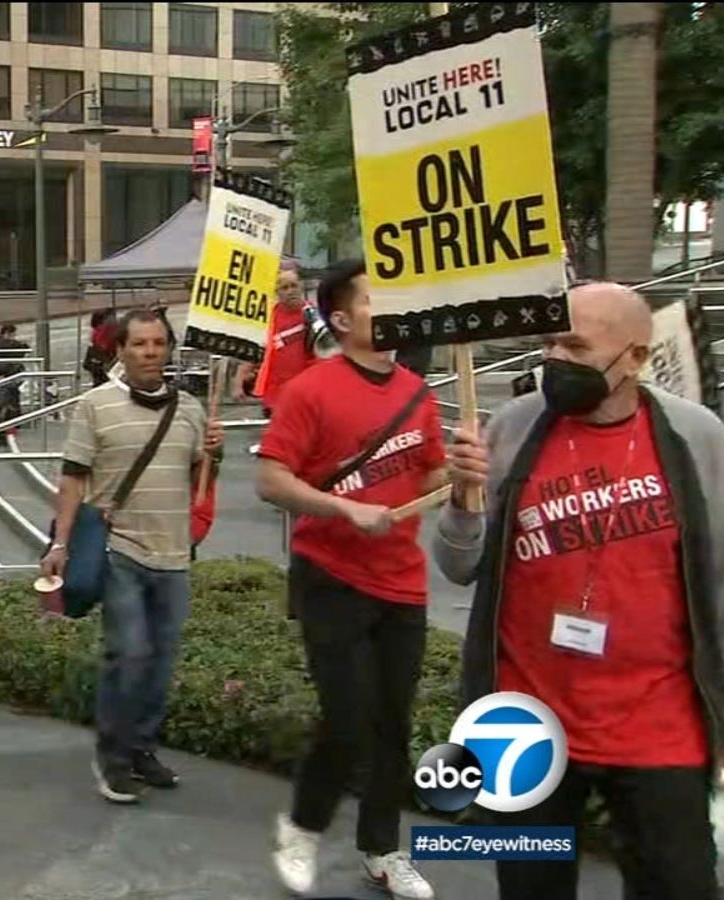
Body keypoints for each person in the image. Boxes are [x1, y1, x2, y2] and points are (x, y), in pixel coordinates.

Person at [434, 282, 724, 900]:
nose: (557, 360)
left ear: (636, 358)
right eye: (549, 343)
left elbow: (722, 582)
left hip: (660, 727)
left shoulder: (697, 436)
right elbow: (458, 567)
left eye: (574, 345)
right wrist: (463, 506)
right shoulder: (512, 427)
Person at [255, 260, 446, 900]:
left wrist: (469, 477)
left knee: (393, 721)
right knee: (347, 716)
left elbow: (431, 482)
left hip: (402, 581)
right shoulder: (311, 390)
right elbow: (271, 480)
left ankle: (383, 849)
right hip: (330, 575)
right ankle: (303, 827)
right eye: (372, 301)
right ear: (340, 319)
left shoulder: (420, 396)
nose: (387, 310)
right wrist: (344, 507)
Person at [40, 309, 224, 804]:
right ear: (119, 350)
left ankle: (143, 747)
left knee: (161, 661)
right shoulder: (96, 405)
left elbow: (197, 481)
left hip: (174, 553)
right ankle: (114, 757)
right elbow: (73, 477)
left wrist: (214, 454)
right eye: (139, 343)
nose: (149, 352)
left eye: (158, 343)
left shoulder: (189, 408)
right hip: (119, 548)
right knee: (130, 654)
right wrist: (59, 544)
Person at [252, 263, 314, 415]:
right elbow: (255, 349)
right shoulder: (267, 317)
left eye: (294, 286)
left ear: (301, 287)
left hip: (307, 396)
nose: (290, 291)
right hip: (274, 397)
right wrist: (239, 380)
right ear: (277, 292)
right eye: (284, 288)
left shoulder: (314, 316)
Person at [85, 310, 117, 387]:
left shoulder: (96, 331)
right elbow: (104, 345)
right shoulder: (105, 329)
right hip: (105, 360)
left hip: (96, 361)